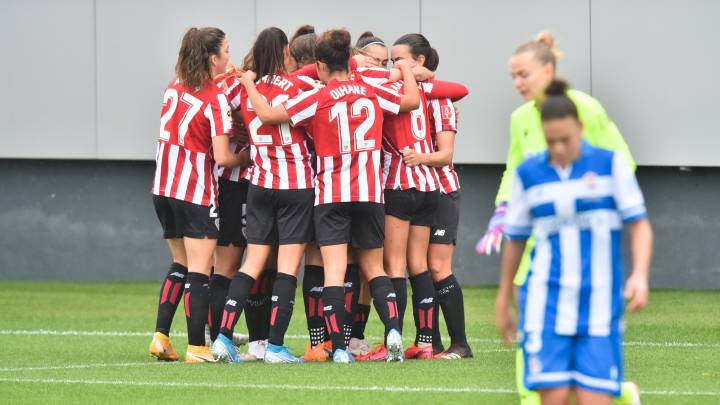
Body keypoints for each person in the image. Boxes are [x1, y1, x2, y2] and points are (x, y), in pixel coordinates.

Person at [477, 32, 641, 405]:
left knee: (588, 345)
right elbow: (514, 169)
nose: (518, 83)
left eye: (524, 75)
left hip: (586, 241)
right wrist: (503, 210)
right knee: (528, 311)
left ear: (548, 71)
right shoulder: (519, 118)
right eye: (513, 77)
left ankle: (617, 392)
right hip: (538, 234)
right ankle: (530, 396)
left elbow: (621, 162)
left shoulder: (586, 108)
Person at [241, 28, 421, 363]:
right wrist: (407, 69)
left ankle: (338, 348)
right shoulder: (370, 90)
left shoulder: (318, 97)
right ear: (351, 62)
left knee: (334, 272)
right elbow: (411, 101)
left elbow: (267, 115)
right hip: (369, 193)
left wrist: (249, 83)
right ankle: (394, 332)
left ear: (321, 66)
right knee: (374, 268)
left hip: (331, 194)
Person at [210, 27, 316, 364]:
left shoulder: (242, 89)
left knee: (251, 264)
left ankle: (223, 338)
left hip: (259, 183)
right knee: (286, 267)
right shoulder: (299, 86)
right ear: (286, 50)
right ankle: (274, 347)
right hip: (295, 185)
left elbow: (226, 108)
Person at [148, 27, 244, 363]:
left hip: (163, 188)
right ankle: (197, 347)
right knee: (201, 271)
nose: (230, 58)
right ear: (212, 57)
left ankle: (161, 336)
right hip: (193, 191)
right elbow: (222, 157)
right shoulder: (216, 98)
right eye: (227, 52)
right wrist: (247, 156)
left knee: (180, 262)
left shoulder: (174, 85)